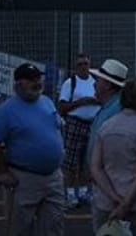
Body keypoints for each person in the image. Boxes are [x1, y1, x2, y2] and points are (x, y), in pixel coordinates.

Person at [0, 62, 67, 236]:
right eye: (31, 80)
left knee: (54, 226)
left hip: (53, 178)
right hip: (24, 179)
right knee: (20, 228)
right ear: (18, 84)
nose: (37, 82)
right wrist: (3, 172)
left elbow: (56, 127)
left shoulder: (47, 102)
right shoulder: (6, 110)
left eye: (38, 78)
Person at [90, 76, 136, 235]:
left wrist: (114, 196)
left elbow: (96, 167)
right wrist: (126, 204)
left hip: (107, 200)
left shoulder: (106, 126)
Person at [58, 54, 101, 209]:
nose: (84, 66)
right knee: (70, 161)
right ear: (76, 67)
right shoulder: (71, 83)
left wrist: (96, 101)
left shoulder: (96, 82)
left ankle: (83, 192)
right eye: (80, 64)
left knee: (87, 160)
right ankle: (70, 194)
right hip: (75, 123)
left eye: (86, 63)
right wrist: (82, 102)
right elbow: (62, 106)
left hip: (92, 123)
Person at [84, 58, 130, 176]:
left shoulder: (117, 110)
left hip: (109, 179)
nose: (94, 84)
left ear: (108, 85)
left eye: (98, 80)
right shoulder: (109, 107)